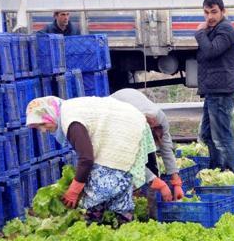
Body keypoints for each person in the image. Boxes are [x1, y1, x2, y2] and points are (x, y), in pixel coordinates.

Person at [25, 96, 166, 224]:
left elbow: (86, 159)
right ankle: (123, 227)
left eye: (43, 125)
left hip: (125, 128)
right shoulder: (68, 111)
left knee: (99, 189)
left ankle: (94, 223)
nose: (43, 131)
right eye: (39, 128)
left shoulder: (71, 120)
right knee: (118, 183)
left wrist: (74, 190)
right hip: (132, 122)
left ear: (50, 114)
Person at [195, 0, 234, 172]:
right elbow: (203, 56)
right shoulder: (213, 30)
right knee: (208, 134)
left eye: (214, 12)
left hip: (222, 90)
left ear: (223, 11)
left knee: (222, 137)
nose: (210, 16)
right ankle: (217, 168)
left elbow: (210, 51)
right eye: (206, 12)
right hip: (212, 89)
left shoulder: (226, 30)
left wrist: (200, 33)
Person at [111, 88, 184, 201]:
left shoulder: (161, 119)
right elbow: (132, 159)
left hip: (132, 97)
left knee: (151, 163)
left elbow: (166, 149)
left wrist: (176, 182)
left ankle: (150, 197)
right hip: (115, 107)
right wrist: (155, 180)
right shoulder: (132, 126)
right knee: (121, 166)